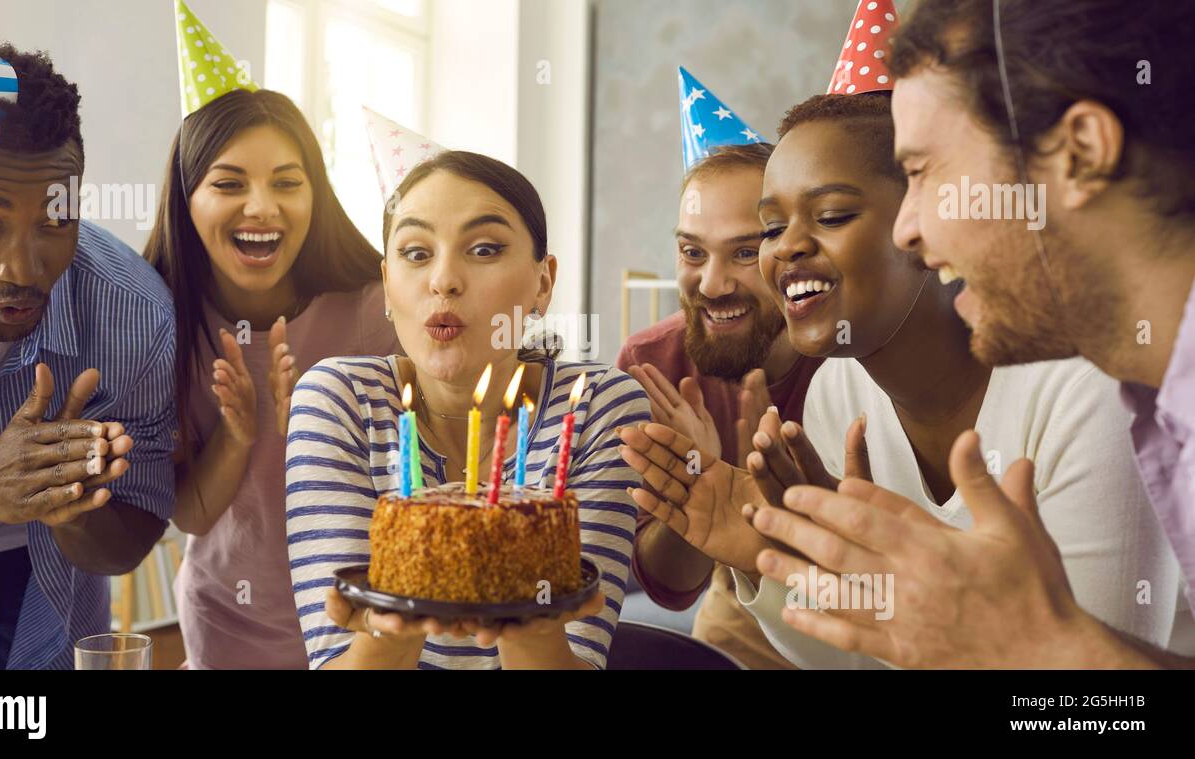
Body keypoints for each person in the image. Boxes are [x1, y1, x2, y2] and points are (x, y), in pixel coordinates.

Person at [620, 89, 1193, 668]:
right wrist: (769, 560)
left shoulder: (1082, 390)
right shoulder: (835, 395)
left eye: (832, 216)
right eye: (771, 227)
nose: (786, 246)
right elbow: (861, 661)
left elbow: (1094, 710)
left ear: (922, 222)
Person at [286, 149, 649, 669]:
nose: (444, 280)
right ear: (387, 284)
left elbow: (578, 656)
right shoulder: (338, 399)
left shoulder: (595, 407)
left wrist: (528, 628)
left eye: (483, 249)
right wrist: (395, 627)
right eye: (416, 253)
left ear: (543, 282)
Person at [0, 37, 175, 669]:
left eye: (55, 220)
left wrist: (71, 507)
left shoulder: (132, 313)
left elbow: (126, 547)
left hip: (42, 593)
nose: (23, 267)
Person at [145, 4, 400, 670]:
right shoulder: (160, 322)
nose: (262, 207)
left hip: (366, 633)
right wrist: (239, 433)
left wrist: (318, 427)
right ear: (185, 198)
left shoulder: (375, 311)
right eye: (229, 183)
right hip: (223, 629)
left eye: (288, 183)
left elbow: (425, 478)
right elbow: (194, 517)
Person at [619, 141, 821, 670]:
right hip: (738, 617)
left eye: (744, 252)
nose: (711, 284)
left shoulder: (852, 357)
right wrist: (697, 492)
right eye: (692, 252)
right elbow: (671, 588)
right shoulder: (651, 365)